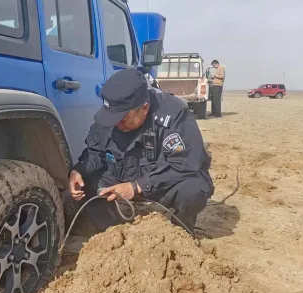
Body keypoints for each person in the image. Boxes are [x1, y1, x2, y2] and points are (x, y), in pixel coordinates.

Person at [68, 68, 214, 234]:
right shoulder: (111, 114)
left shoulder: (174, 115)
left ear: (144, 109)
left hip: (161, 183)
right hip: (121, 175)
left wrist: (137, 186)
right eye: (112, 118)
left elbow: (185, 164)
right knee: (86, 182)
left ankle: (179, 234)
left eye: (122, 119)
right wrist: (79, 170)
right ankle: (113, 233)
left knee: (193, 190)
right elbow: (94, 152)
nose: (116, 124)